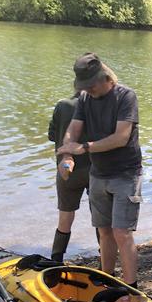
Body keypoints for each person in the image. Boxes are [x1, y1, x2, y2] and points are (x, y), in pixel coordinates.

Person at [57, 53, 142, 287]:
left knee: (121, 232)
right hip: (98, 174)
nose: (88, 90)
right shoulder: (85, 99)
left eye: (91, 85)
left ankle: (130, 288)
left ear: (104, 76)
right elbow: (73, 130)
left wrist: (83, 148)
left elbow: (121, 138)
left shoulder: (126, 96)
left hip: (126, 173)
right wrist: (67, 155)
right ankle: (107, 282)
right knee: (104, 231)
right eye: (84, 86)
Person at [48, 89, 88, 262]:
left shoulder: (62, 105)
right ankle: (105, 260)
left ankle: (56, 259)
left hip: (66, 169)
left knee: (65, 215)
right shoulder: (96, 106)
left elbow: (51, 135)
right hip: (93, 169)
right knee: (100, 218)